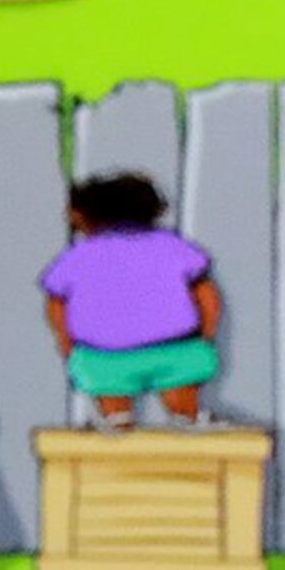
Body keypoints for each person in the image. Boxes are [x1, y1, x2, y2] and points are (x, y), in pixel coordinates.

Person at [41, 172, 224, 428]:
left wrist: (67, 342)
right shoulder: (173, 247)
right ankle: (188, 418)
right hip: (177, 350)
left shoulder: (79, 256)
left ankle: (116, 419)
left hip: (104, 356)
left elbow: (58, 303)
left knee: (111, 396)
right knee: (183, 399)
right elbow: (207, 295)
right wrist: (205, 333)